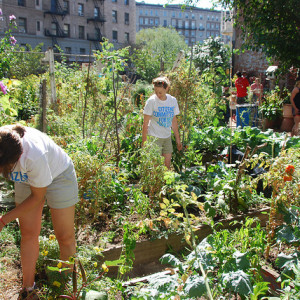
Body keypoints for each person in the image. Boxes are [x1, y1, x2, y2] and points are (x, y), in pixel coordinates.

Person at [0, 124, 79, 299]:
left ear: (13, 162)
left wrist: (3, 220)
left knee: (64, 236)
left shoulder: (33, 156)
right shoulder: (3, 141)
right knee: (28, 232)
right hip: (26, 178)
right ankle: (28, 289)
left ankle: (63, 288)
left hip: (59, 175)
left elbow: (37, 197)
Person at [142, 76, 182, 169]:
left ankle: (164, 184)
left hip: (167, 137)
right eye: (156, 92)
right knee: (156, 167)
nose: (158, 95)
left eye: (160, 92)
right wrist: (144, 142)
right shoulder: (151, 101)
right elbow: (145, 123)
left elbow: (174, 121)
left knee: (166, 167)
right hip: (154, 137)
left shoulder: (172, 101)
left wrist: (178, 139)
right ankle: (156, 183)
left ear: (167, 88)